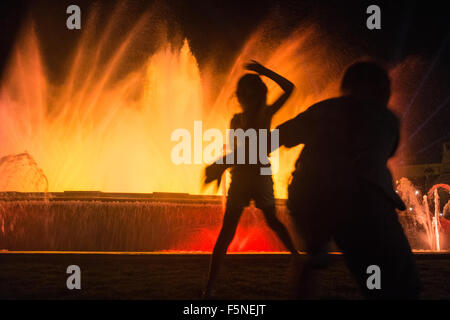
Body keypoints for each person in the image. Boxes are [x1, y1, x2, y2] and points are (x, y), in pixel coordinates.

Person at [205, 61, 422, 299]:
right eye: (384, 88)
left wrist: (222, 163)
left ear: (345, 88)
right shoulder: (386, 120)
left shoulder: (322, 111)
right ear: (378, 90)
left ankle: (311, 258)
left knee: (314, 258)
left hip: (309, 196)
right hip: (363, 203)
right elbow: (383, 154)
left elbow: (272, 140)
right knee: (399, 278)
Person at [202, 60, 298, 298]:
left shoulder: (266, 113)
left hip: (262, 172)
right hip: (242, 175)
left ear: (258, 94)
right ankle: (210, 286)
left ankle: (297, 259)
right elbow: (239, 151)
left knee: (272, 220)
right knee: (228, 230)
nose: (244, 97)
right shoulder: (236, 120)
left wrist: (265, 71)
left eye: (249, 93)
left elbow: (290, 88)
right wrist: (223, 166)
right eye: (242, 93)